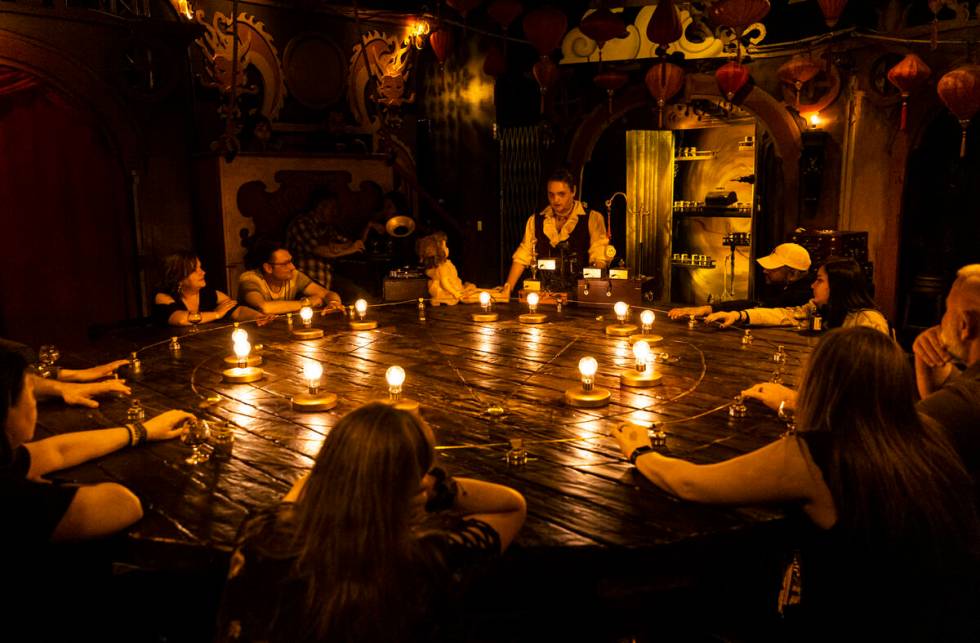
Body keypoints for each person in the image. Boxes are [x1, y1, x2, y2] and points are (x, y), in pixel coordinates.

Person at [613, 327, 980, 637]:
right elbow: (863, 414)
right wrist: (791, 406)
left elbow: (692, 483)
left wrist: (641, 452)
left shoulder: (816, 456)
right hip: (944, 620)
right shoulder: (927, 432)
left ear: (819, 379)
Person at [215, 402, 526, 643]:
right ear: (412, 488)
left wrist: (352, 458)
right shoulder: (425, 561)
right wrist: (438, 489)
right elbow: (512, 506)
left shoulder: (264, 536)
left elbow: (302, 489)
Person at [1, 347, 193, 547]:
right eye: (31, 393)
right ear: (6, 409)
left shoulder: (5, 459)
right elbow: (122, 504)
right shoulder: (14, 500)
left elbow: (56, 451)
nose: (35, 403)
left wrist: (142, 431)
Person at [914, 264, 980, 483]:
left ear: (965, 324)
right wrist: (925, 366)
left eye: (947, 311)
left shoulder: (958, 406)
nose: (941, 324)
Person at [703, 256, 888, 334]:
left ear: (838, 287)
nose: (813, 285)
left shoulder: (868, 322)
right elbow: (784, 314)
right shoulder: (820, 308)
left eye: (820, 280)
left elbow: (872, 379)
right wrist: (738, 315)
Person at [501, 169, 612, 298]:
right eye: (551, 195)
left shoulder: (593, 218)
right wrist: (508, 288)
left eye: (561, 194)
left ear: (573, 191)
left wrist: (592, 293)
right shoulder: (536, 220)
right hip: (544, 297)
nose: (556, 200)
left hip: (579, 297)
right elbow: (522, 256)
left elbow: (599, 258)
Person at [668, 243, 813, 319]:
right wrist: (708, 308)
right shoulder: (788, 286)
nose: (764, 271)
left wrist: (710, 309)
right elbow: (757, 304)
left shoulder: (800, 295)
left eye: (772, 268)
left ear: (793, 273)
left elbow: (760, 308)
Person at [286, 190, 381, 293]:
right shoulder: (301, 223)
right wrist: (348, 250)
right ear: (321, 207)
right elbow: (320, 250)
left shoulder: (329, 228)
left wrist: (368, 227)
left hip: (328, 280)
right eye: (332, 208)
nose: (335, 212)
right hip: (306, 282)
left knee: (361, 295)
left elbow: (353, 243)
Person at [153, 252, 269, 326]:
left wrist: (257, 316)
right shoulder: (163, 297)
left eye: (201, 267)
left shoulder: (210, 294)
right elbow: (179, 319)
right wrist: (216, 314)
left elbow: (237, 310)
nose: (203, 272)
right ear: (179, 277)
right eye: (194, 270)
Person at [238, 239, 343, 315]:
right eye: (285, 264)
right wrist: (306, 302)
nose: (292, 267)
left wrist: (334, 303)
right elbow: (264, 307)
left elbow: (326, 293)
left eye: (291, 261)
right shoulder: (249, 279)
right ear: (268, 268)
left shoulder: (294, 276)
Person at [417, 231, 479, 306]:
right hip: (448, 292)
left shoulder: (443, 265)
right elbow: (445, 282)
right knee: (471, 295)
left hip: (453, 287)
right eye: (445, 247)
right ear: (439, 253)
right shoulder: (443, 267)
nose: (447, 249)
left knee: (471, 290)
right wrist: (455, 293)